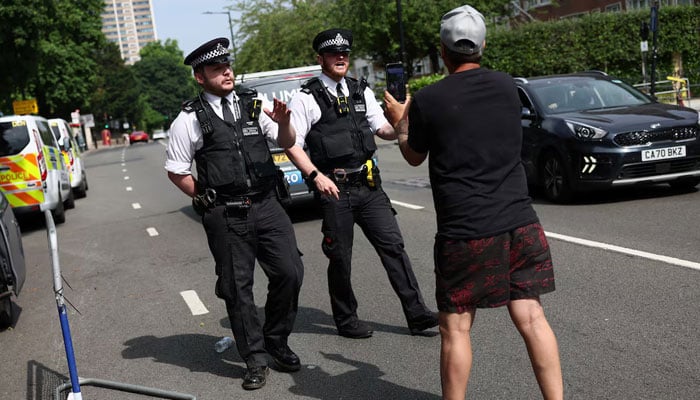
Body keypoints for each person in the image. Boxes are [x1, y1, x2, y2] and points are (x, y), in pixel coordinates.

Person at [383, 5, 563, 400]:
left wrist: (401, 121)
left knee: (456, 327)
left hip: (466, 231)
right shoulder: (507, 86)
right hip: (521, 221)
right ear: (482, 45)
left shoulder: (429, 99)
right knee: (531, 316)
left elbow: (413, 155)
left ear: (443, 51)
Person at [165, 38, 304, 391]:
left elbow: (287, 141)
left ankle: (276, 338)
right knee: (237, 291)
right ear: (200, 77)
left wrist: (285, 123)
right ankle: (255, 359)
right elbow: (177, 170)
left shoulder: (253, 103)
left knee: (290, 272)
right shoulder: (188, 119)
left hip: (267, 205)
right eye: (216, 69)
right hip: (227, 214)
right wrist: (204, 198)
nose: (226, 72)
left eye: (227, 65)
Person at [285, 28, 438, 339]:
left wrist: (403, 118)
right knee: (340, 256)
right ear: (321, 59)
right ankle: (346, 318)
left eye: (344, 53)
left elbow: (383, 130)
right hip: (335, 189)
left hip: (368, 186)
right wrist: (316, 177)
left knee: (394, 247)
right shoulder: (305, 97)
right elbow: (293, 144)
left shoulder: (360, 90)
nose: (341, 58)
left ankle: (417, 314)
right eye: (333, 54)